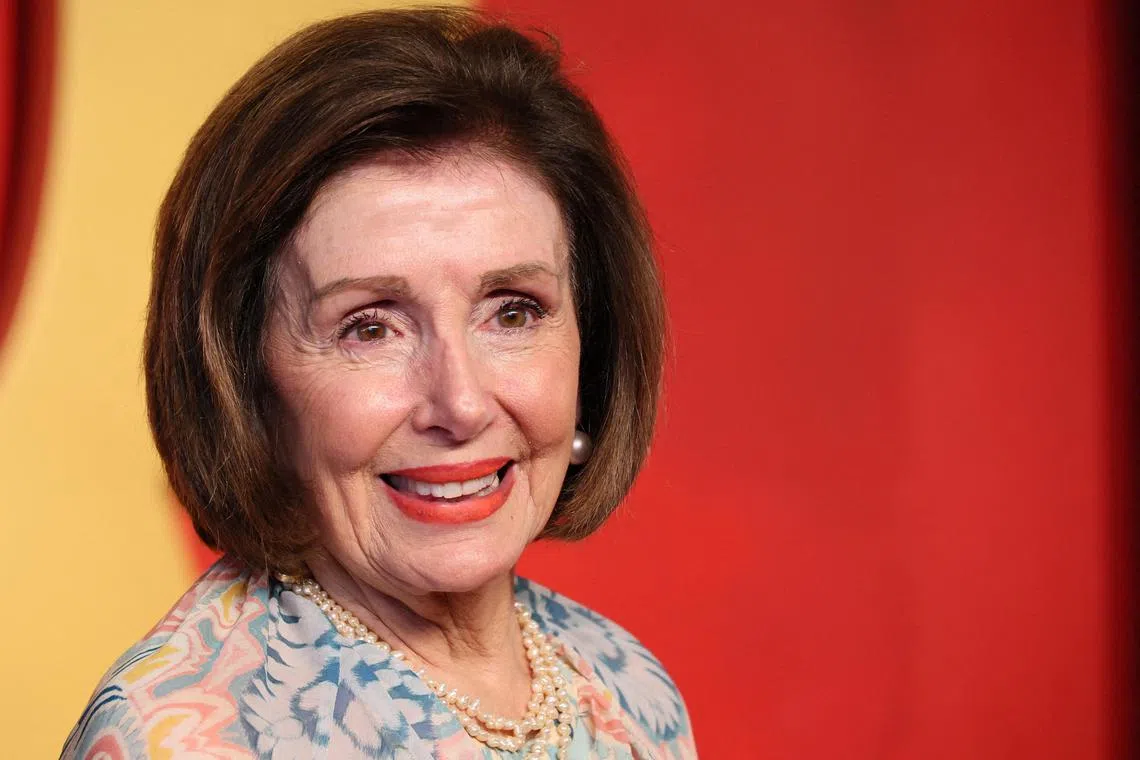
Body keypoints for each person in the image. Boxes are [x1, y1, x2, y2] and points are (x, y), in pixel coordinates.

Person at [63, 8, 695, 759]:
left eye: (513, 312)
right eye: (370, 327)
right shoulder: (175, 739)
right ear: (247, 380)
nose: (459, 403)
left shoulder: (627, 689)